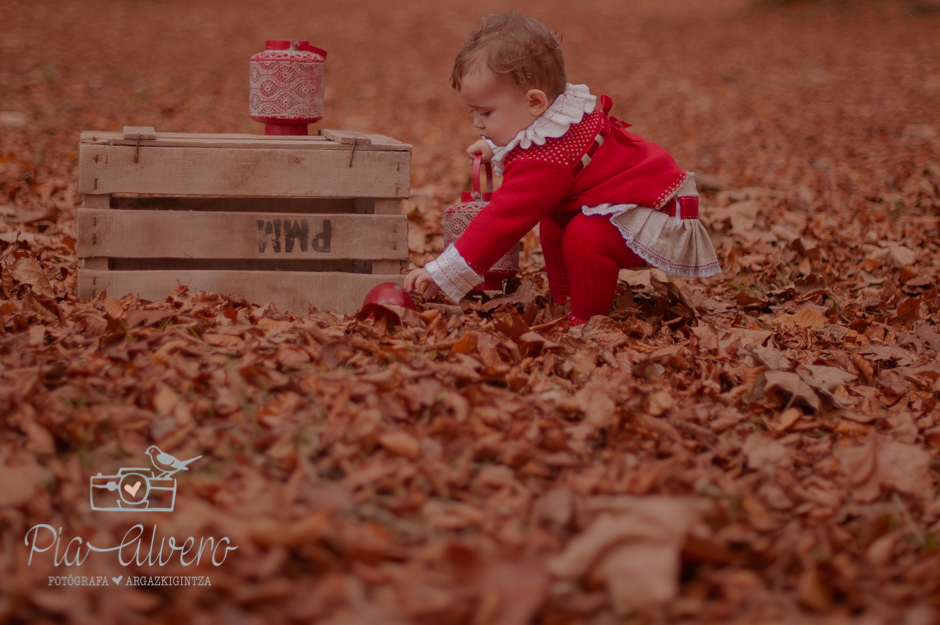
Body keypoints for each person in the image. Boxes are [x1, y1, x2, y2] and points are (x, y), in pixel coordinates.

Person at [404, 11, 720, 325]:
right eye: (472, 112)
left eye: (486, 113)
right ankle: (564, 299)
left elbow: (503, 219)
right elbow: (532, 137)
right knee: (557, 225)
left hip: (656, 210)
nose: (477, 123)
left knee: (585, 235)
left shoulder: (546, 163)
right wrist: (495, 146)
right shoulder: (557, 115)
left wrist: (443, 271)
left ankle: (587, 320)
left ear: (535, 103)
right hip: (631, 200)